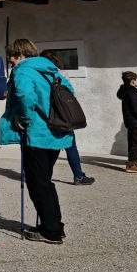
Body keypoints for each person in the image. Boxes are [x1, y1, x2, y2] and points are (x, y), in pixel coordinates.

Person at [0, 38, 75, 245]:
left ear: (19, 54)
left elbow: (25, 95)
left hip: (37, 135)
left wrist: (23, 119)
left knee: (37, 183)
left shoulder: (23, 70)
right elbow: (69, 91)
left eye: (11, 57)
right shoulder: (50, 69)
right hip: (56, 133)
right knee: (45, 181)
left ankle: (51, 230)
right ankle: (53, 225)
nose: (10, 61)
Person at [41, 50, 95, 186]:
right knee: (70, 146)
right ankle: (78, 176)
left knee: (53, 147)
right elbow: (70, 92)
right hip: (62, 115)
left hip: (47, 115)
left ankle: (44, 176)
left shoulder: (40, 75)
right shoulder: (60, 74)